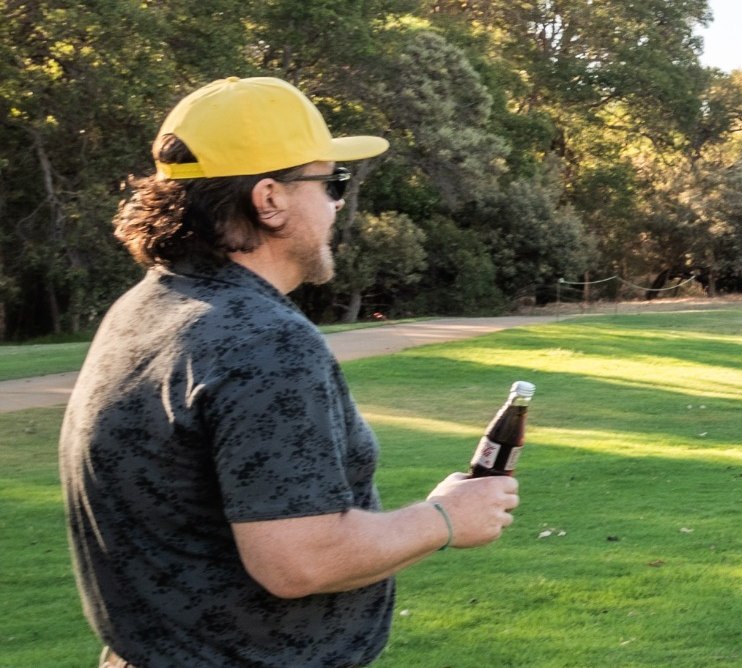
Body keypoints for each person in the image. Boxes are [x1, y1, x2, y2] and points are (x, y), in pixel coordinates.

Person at [60, 77, 522, 667]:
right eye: (330, 182)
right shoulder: (264, 340)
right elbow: (297, 560)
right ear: (270, 199)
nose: (338, 202)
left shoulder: (148, 308)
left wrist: (432, 519)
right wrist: (443, 519)